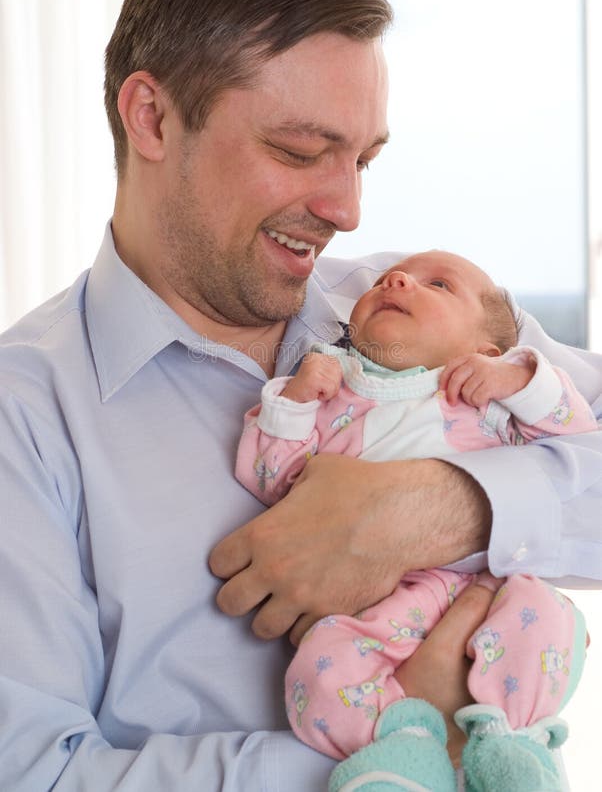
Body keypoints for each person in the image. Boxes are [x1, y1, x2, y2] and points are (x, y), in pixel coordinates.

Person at [0, 0, 600, 792]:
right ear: (152, 117)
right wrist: (409, 749)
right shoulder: (25, 417)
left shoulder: (411, 315)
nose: (348, 209)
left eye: (362, 158)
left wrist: (445, 507)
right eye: (298, 151)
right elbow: (32, 774)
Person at [235, 249, 595, 791]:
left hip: (487, 589)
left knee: (548, 615)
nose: (397, 279)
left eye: (440, 286)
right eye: (384, 281)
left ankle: (510, 743)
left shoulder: (488, 402)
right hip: (381, 606)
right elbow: (273, 478)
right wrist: (295, 402)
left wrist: (518, 377)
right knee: (321, 667)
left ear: (485, 348)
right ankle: (404, 749)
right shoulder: (339, 396)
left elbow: (577, 437)